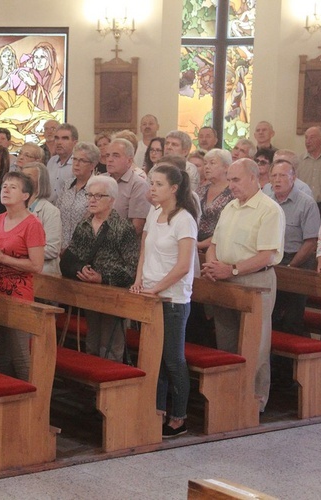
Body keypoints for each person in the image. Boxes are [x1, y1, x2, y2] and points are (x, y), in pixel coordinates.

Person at [202, 158, 285, 413]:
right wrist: (212, 264)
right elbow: (214, 244)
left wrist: (233, 269)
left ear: (253, 177)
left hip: (255, 280)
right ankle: (229, 396)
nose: (231, 185)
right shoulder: (230, 207)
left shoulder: (269, 210)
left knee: (255, 342)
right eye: (229, 179)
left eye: (235, 180)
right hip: (225, 280)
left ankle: (254, 400)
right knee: (226, 339)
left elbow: (267, 256)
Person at [131, 164, 198, 438]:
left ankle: (178, 417)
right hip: (150, 295)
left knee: (172, 359)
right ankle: (155, 411)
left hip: (172, 299)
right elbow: (145, 249)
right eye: (151, 183)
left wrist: (157, 288)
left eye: (158, 184)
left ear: (174, 188)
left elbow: (183, 265)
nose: (152, 189)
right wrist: (139, 280)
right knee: (152, 357)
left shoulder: (184, 219)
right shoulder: (155, 212)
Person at [61, 175, 139, 361]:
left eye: (98, 196)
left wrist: (103, 278)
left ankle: (112, 383)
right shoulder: (84, 225)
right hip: (89, 292)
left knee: (110, 346)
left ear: (111, 199)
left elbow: (131, 269)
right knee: (92, 343)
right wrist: (82, 269)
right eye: (89, 195)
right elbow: (68, 260)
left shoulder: (123, 228)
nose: (92, 200)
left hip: (114, 295)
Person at [0, 172, 45, 380]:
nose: (5, 190)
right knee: (0, 356)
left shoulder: (32, 224)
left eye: (13, 187)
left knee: (20, 357)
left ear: (26, 195)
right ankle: (3, 407)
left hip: (18, 296)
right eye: (4, 187)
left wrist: (2, 258)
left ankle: (30, 406)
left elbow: (36, 265)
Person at [267, 158, 320, 336]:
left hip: (297, 261)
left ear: (293, 178)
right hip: (272, 259)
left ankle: (292, 362)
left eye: (282, 175)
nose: (277, 180)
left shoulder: (306, 203)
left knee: (292, 318)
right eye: (274, 176)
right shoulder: (266, 202)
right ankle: (275, 361)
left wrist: (291, 267)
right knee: (270, 316)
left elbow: (311, 241)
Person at [18, 162, 62, 275]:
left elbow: (52, 249)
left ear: (40, 182)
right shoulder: (16, 207)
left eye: (28, 177)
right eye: (22, 176)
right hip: (17, 267)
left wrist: (19, 251)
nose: (23, 181)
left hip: (43, 273)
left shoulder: (50, 211)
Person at [104, 138, 150, 236]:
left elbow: (137, 227)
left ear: (129, 161)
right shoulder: (100, 180)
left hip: (121, 245)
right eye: (107, 155)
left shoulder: (138, 184)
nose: (109, 159)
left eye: (116, 156)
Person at [57, 142, 99, 249]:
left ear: (93, 165)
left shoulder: (97, 187)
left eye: (82, 161)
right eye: (74, 159)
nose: (76, 164)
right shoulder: (67, 185)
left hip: (85, 248)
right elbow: (57, 212)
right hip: (62, 247)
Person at [196, 149, 233, 251]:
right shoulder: (201, 189)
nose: (207, 167)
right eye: (205, 163)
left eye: (212, 163)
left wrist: (201, 244)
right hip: (195, 244)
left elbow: (229, 228)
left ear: (226, 167)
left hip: (220, 248)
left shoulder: (233, 192)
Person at [46, 123, 78, 203]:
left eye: (64, 138)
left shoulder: (77, 164)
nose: (59, 142)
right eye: (57, 138)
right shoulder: (52, 161)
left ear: (75, 143)